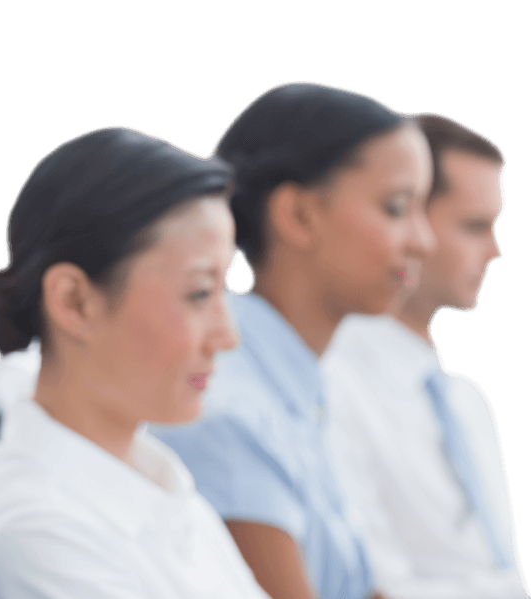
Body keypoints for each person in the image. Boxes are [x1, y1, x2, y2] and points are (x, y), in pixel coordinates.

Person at [151, 81, 435, 599]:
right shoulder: (231, 414)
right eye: (396, 208)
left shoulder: (301, 390)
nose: (423, 240)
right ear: (298, 216)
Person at [0, 125, 271, 599]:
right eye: (199, 293)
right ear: (75, 302)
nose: (227, 336)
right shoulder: (37, 537)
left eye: (225, 288)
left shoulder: (166, 488)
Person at [322, 112, 526, 598]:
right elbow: (370, 585)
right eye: (475, 226)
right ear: (406, 217)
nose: (496, 250)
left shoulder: (468, 404)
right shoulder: (330, 386)